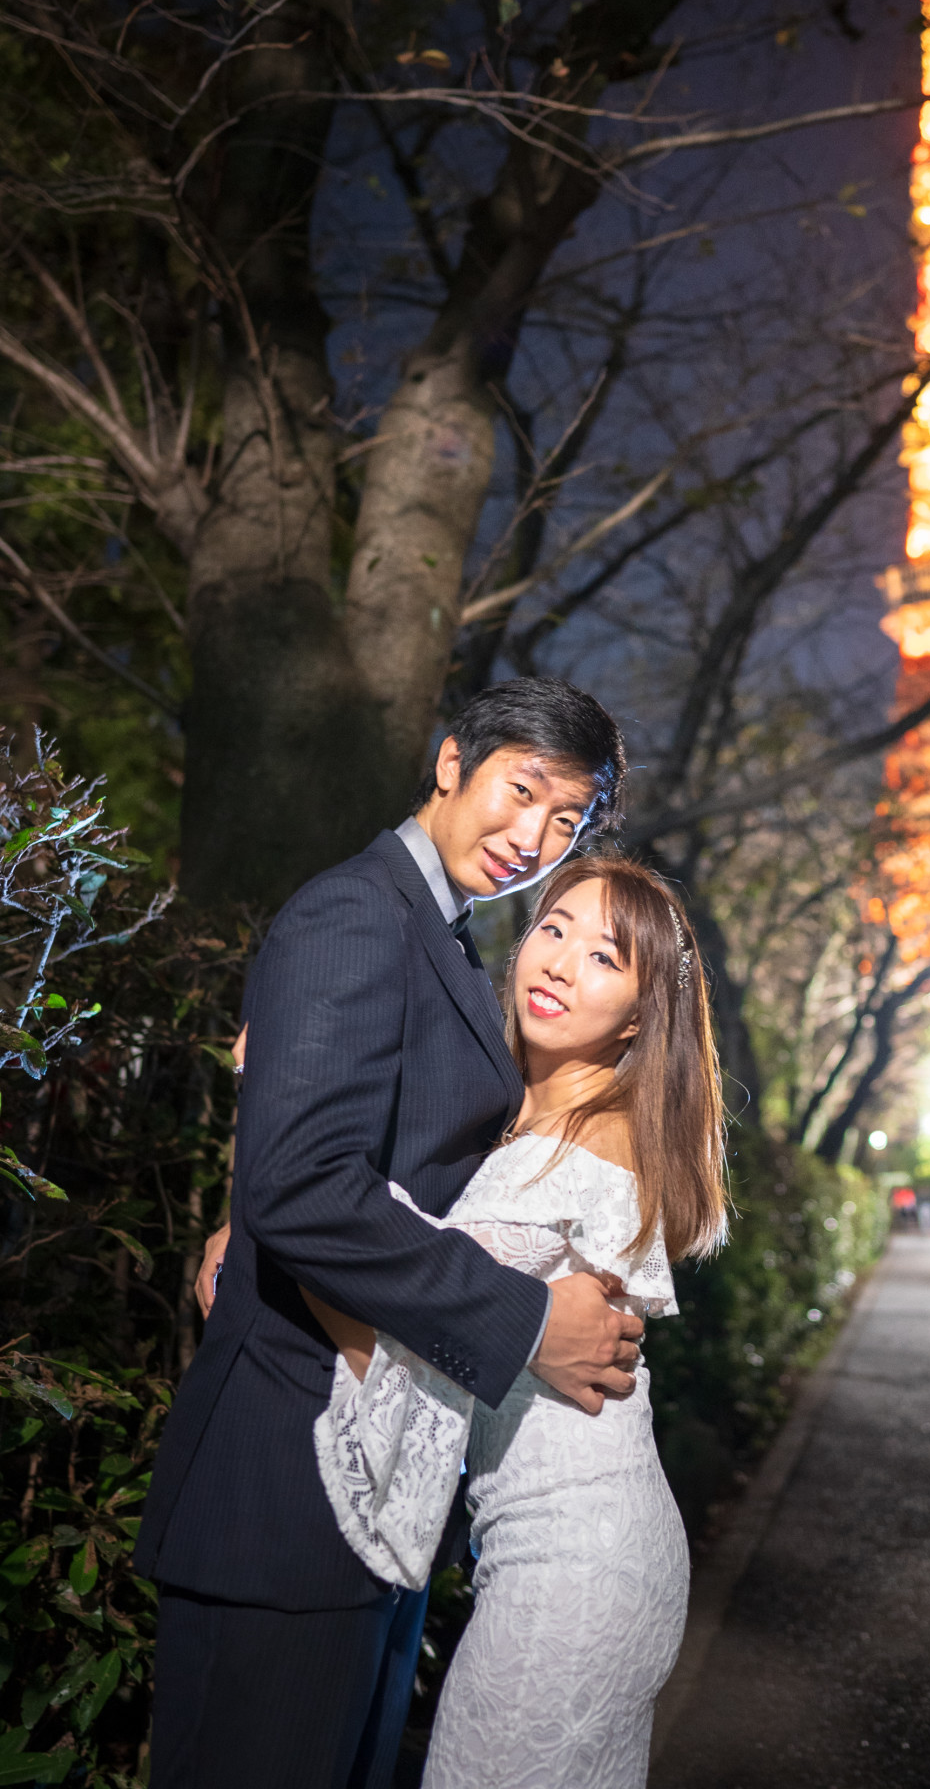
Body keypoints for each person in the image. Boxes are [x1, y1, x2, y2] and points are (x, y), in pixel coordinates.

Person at [134, 679, 644, 1789]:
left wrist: (244, 1196)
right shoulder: (357, 912)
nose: (534, 840)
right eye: (523, 793)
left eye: (568, 821)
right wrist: (523, 1325)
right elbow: (307, 1188)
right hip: (287, 1486)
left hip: (370, 1490)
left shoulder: (447, 940)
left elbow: (349, 1159)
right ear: (451, 761)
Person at [305, 854, 727, 1788]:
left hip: (577, 1565)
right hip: (568, 1555)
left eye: (607, 957)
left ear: (637, 1018)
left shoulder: (593, 1143)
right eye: (553, 928)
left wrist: (281, 1149)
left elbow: (399, 1291)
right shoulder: (524, 1124)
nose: (562, 961)